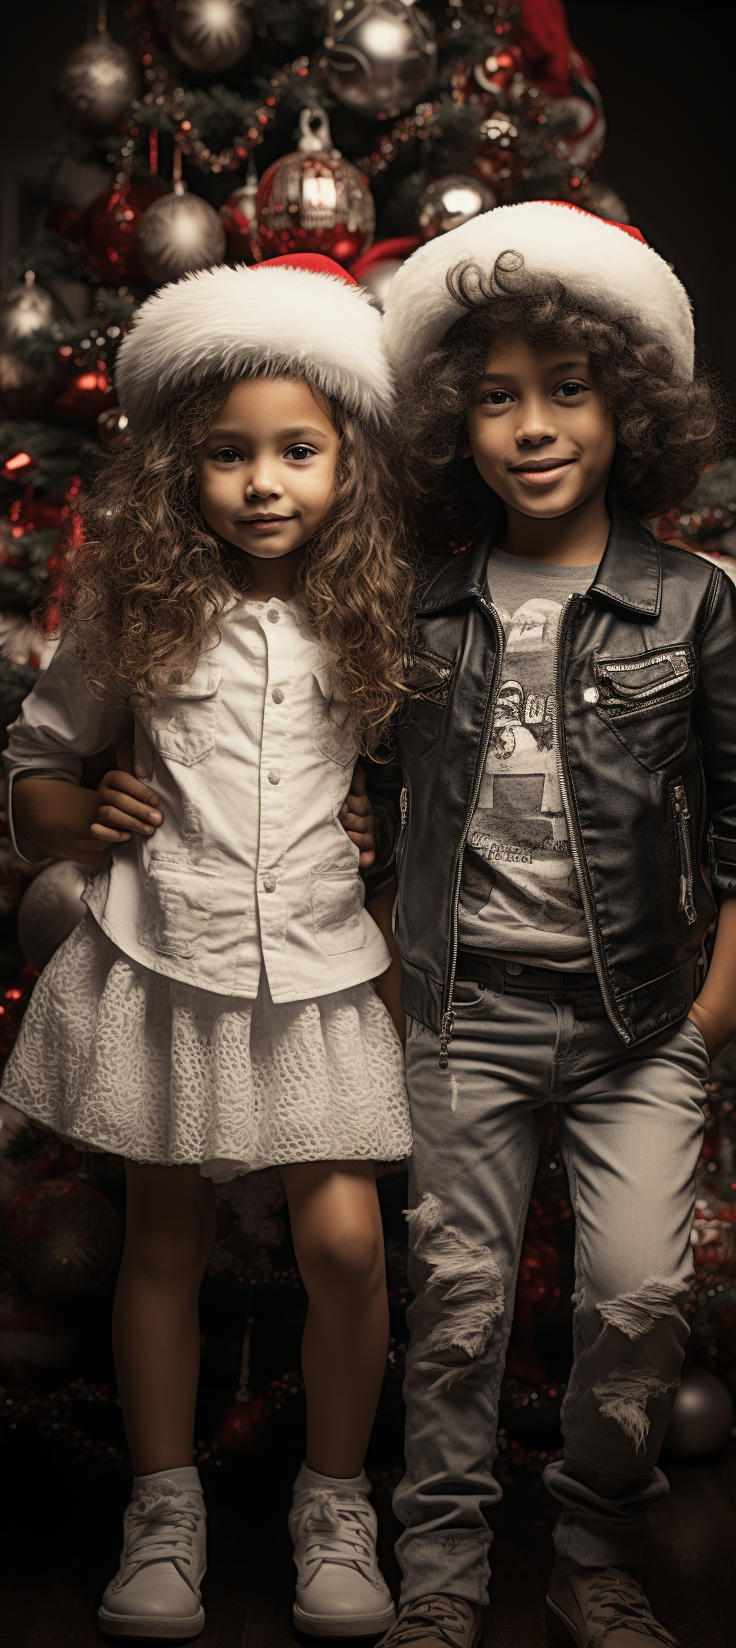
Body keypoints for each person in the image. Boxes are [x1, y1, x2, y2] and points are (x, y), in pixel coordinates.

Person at [0, 253, 412, 1642]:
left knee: (347, 1247)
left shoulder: (377, 611)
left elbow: (433, 781)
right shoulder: (136, 605)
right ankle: (163, 1509)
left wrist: (381, 822)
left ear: (347, 458)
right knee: (161, 1236)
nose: (264, 483)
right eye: (230, 455)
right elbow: (38, 769)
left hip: (317, 972)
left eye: (298, 450)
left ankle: (334, 1502)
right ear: (185, 467)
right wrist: (79, 812)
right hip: (159, 959)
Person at [363, 202, 736, 1648]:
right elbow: (371, 804)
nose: (532, 426)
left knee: (639, 1295)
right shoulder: (421, 610)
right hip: (466, 1011)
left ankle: (596, 1544)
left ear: (623, 412)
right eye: (499, 398)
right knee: (452, 1305)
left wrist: (711, 1006)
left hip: (644, 1020)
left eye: (565, 392)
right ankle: (442, 1572)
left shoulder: (695, 606)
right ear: (458, 424)